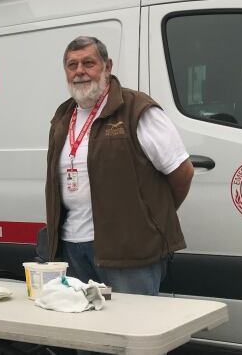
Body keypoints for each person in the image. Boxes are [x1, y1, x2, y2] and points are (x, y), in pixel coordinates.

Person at [45, 36, 194, 296]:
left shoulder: (136, 109)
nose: (80, 71)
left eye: (88, 63)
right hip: (72, 247)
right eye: (72, 65)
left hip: (129, 253)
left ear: (107, 66)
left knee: (134, 328)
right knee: (84, 330)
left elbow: (182, 172)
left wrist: (149, 220)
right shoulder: (63, 116)